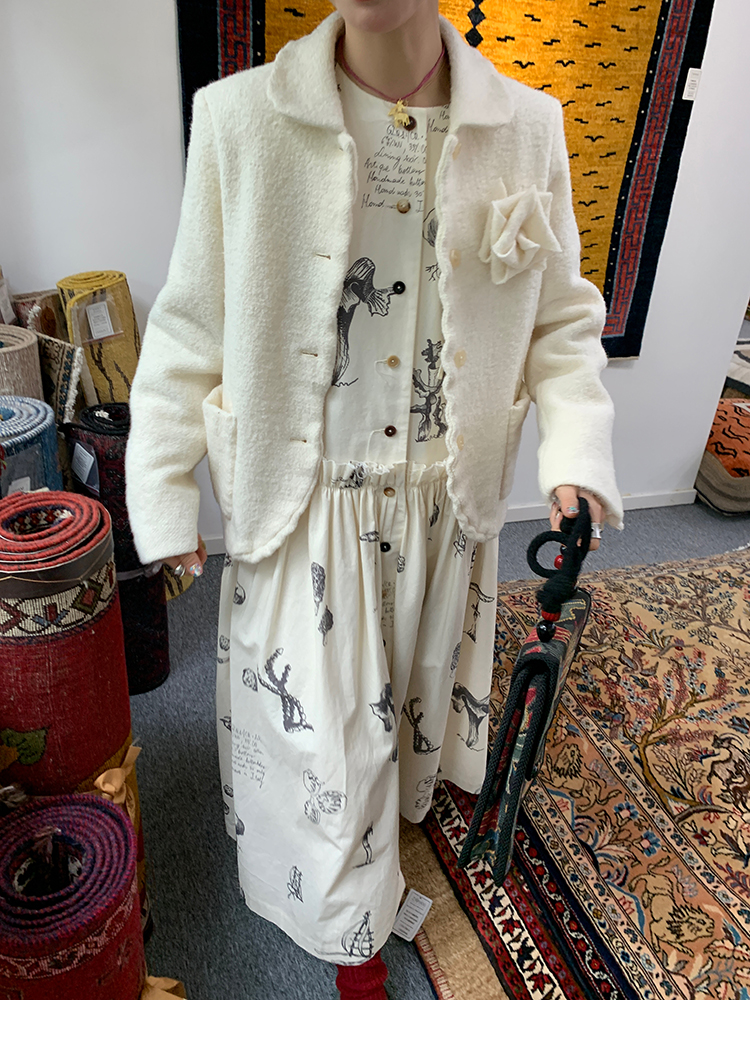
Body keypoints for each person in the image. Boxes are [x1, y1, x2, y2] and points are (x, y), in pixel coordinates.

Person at [125, 1, 622, 999]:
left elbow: (561, 323)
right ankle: (349, 936)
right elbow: (188, 328)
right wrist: (165, 494)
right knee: (323, 739)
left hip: (446, 504)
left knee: (409, 710)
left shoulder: (527, 126)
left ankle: (390, 848)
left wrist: (576, 450)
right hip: (306, 505)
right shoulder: (239, 118)